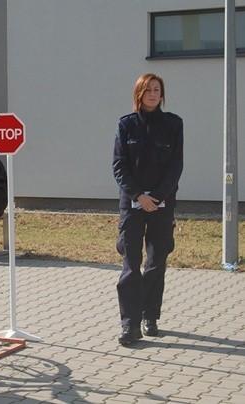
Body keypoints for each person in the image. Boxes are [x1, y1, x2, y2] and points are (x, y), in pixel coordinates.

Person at [112, 73, 184, 346]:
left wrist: (157, 196)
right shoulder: (126, 125)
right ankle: (130, 325)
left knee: (156, 261)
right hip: (132, 205)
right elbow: (120, 165)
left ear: (161, 94)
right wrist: (139, 196)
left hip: (162, 205)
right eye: (148, 90)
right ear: (139, 94)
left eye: (157, 90)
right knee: (131, 264)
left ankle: (150, 316)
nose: (153, 94)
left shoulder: (174, 124)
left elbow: (175, 165)